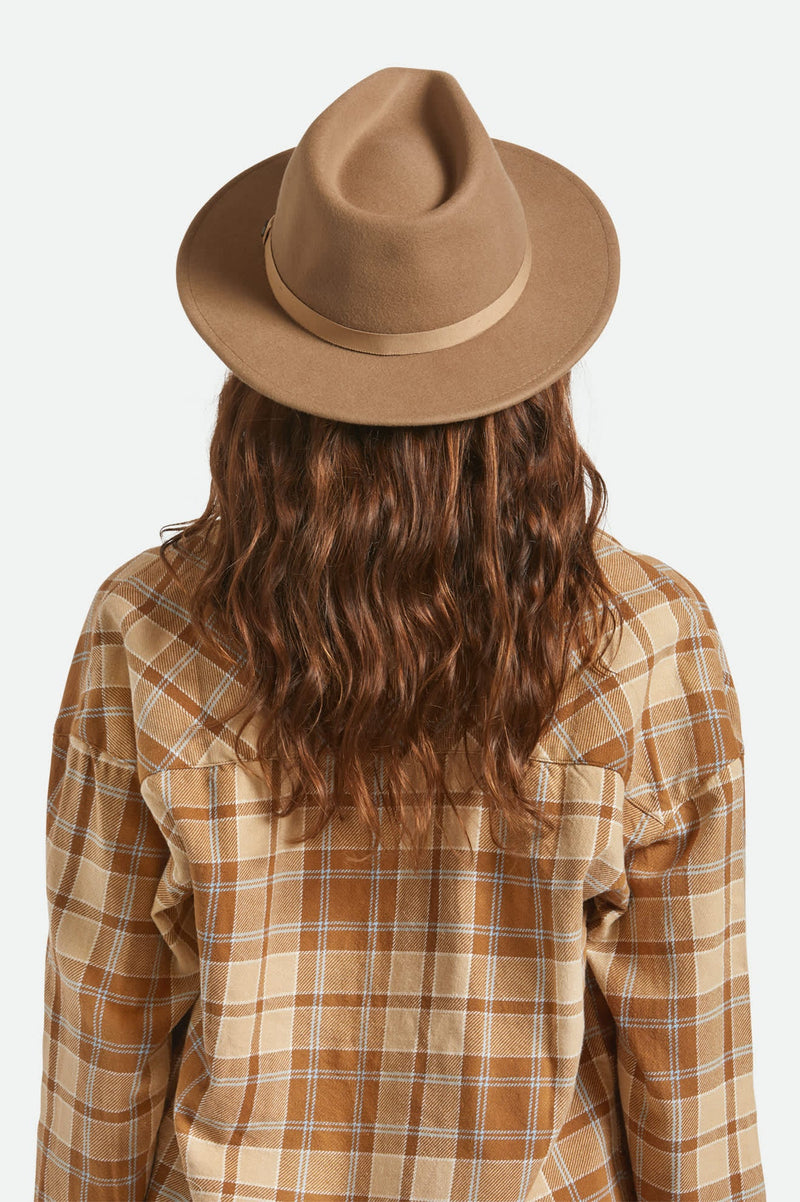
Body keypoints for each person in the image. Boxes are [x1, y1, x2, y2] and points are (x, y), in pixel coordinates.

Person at [34, 66, 766, 1202]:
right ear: (531, 375)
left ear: (262, 378)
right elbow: (689, 1070)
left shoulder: (145, 627)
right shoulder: (647, 638)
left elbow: (103, 1034)